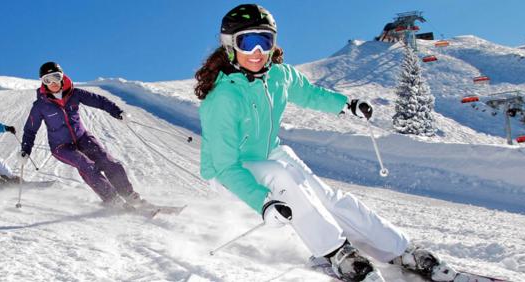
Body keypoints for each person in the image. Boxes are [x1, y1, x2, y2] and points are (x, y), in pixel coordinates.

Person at [196, 4, 460, 282]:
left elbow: (309, 94)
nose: (257, 52)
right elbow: (226, 166)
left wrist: (347, 105)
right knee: (280, 175)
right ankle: (332, 252)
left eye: (265, 41)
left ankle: (399, 249)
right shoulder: (224, 98)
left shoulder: (278, 76)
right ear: (229, 45)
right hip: (230, 170)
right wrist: (263, 201)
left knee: (326, 196)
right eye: (247, 42)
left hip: (269, 153)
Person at [21, 62, 143, 207]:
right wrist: (25, 150)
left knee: (109, 162)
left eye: (55, 77)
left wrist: (118, 112)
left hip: (82, 138)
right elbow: (30, 129)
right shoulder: (40, 105)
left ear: (62, 77)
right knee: (87, 165)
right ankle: (113, 200)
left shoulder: (74, 94)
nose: (53, 82)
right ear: (43, 82)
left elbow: (99, 101)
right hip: (61, 146)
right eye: (47, 79)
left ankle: (129, 195)